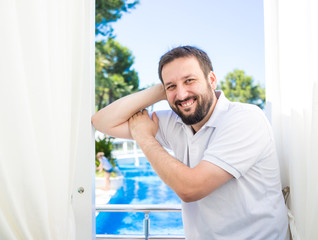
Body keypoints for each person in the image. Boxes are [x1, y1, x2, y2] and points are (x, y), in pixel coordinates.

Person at [91, 46, 289, 239]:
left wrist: (145, 137)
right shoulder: (176, 121)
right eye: (172, 87)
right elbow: (102, 122)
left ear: (211, 80)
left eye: (190, 81)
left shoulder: (245, 119)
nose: (182, 94)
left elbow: (191, 188)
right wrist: (161, 89)